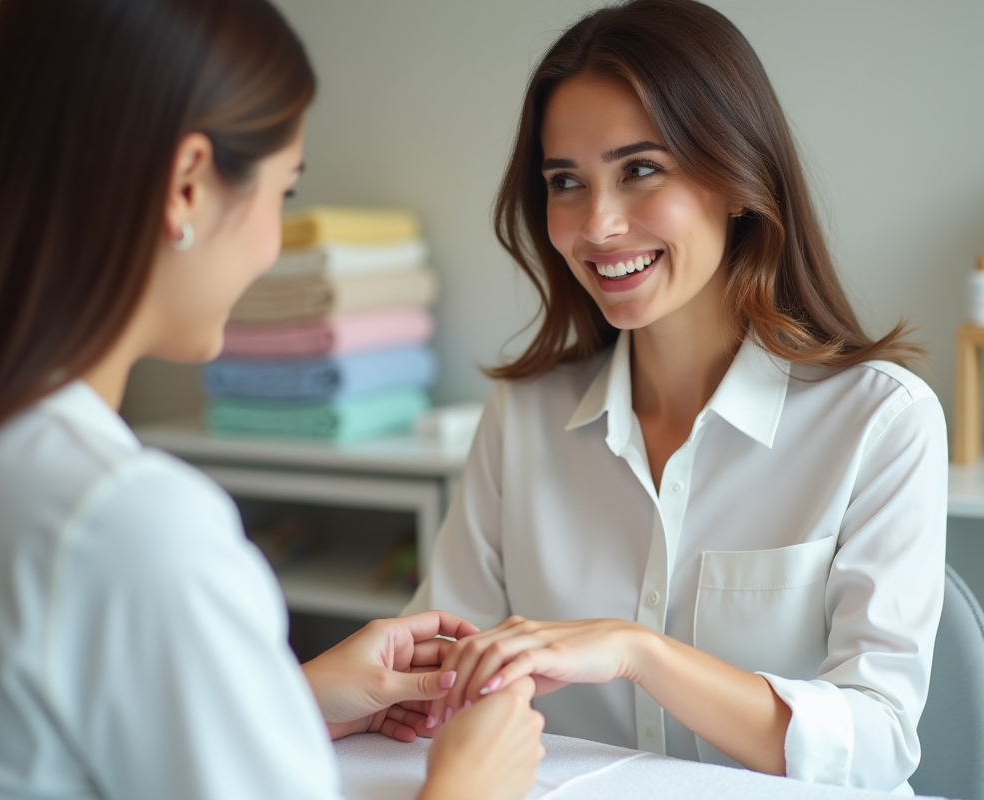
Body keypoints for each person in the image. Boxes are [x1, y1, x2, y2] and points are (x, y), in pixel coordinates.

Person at [0, 1, 544, 799]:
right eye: (283, 194)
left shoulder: (6, 461)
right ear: (187, 186)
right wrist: (470, 785)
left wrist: (285, 700)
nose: (272, 243)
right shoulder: (132, 522)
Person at [404, 0, 947, 793]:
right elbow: (444, 676)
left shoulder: (882, 422)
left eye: (640, 169)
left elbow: (877, 744)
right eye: (566, 182)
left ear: (737, 178)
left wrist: (639, 652)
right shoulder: (521, 421)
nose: (598, 224)